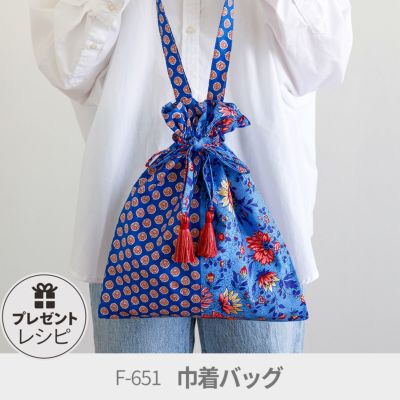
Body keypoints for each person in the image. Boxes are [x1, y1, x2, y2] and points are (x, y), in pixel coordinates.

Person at [29, 0, 353, 353]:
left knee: (260, 380)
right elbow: (65, 69)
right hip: (130, 231)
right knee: (137, 380)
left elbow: (326, 63)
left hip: (264, 233)